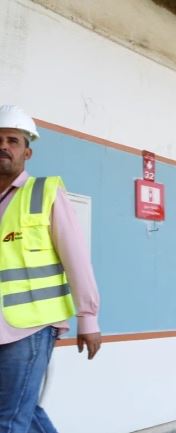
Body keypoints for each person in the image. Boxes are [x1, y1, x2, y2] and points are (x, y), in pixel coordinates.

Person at [0, 105, 101, 433]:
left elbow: (76, 258)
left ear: (27, 152)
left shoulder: (44, 192)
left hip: (31, 326)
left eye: (12, 141)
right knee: (22, 411)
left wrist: (88, 317)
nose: (3, 146)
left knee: (8, 419)